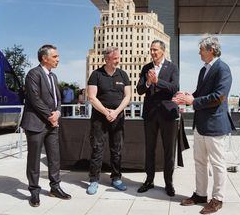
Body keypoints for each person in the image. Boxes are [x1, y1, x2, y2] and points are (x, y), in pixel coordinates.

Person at [173, 36, 232, 214]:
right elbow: (199, 93)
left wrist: (193, 101)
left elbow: (219, 97)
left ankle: (218, 198)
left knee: (217, 164)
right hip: (201, 124)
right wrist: (186, 96)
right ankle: (200, 194)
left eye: (201, 49)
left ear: (211, 50)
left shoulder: (223, 69)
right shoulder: (203, 70)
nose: (199, 52)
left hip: (215, 125)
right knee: (200, 162)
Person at [21, 45, 71, 207]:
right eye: (55, 56)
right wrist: (51, 116)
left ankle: (55, 187)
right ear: (45, 58)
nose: (58, 59)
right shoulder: (33, 74)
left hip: (52, 124)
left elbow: (58, 99)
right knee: (34, 159)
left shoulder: (53, 76)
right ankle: (34, 192)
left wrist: (57, 112)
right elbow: (35, 100)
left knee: (54, 157)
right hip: (36, 123)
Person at [136, 39, 179, 197]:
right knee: (150, 149)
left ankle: (169, 183)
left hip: (168, 114)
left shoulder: (172, 67)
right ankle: (149, 180)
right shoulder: (146, 68)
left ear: (163, 51)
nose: (152, 52)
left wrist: (157, 82)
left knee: (169, 151)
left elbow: (175, 88)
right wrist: (147, 82)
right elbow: (140, 90)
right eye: (151, 49)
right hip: (150, 114)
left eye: (155, 50)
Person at [86, 46, 131, 195]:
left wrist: (116, 112)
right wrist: (106, 112)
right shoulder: (96, 75)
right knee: (97, 148)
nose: (118, 60)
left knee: (116, 149)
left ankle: (116, 178)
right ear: (106, 59)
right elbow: (91, 96)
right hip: (100, 117)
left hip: (118, 117)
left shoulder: (123, 75)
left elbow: (128, 96)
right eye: (115, 58)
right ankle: (93, 180)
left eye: (118, 57)